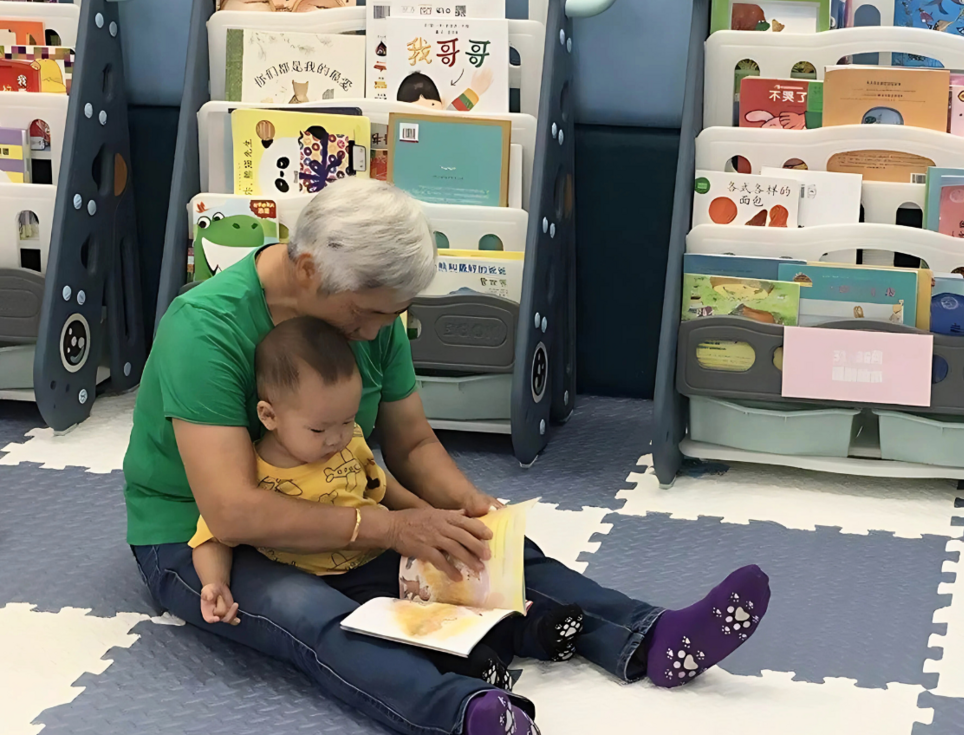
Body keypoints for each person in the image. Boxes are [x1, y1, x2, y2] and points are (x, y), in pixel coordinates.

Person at [124, 176, 771, 735]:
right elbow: (232, 511)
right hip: (203, 541)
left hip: (342, 509)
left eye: (392, 314)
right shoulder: (205, 328)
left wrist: (467, 506)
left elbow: (409, 442)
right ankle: (464, 711)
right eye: (367, 314)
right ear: (308, 271)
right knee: (315, 615)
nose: (377, 332)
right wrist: (392, 525)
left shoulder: (366, 315)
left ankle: (650, 636)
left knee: (484, 551)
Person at [189, 315, 583, 696]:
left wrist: (429, 517)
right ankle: (474, 666)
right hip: (328, 583)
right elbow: (216, 534)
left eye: (346, 421)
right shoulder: (254, 472)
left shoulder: (350, 442)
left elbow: (383, 489)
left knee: (456, 580)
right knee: (403, 627)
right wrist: (214, 584)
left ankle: (535, 628)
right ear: (269, 415)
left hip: (380, 553)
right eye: (319, 429)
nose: (336, 438)